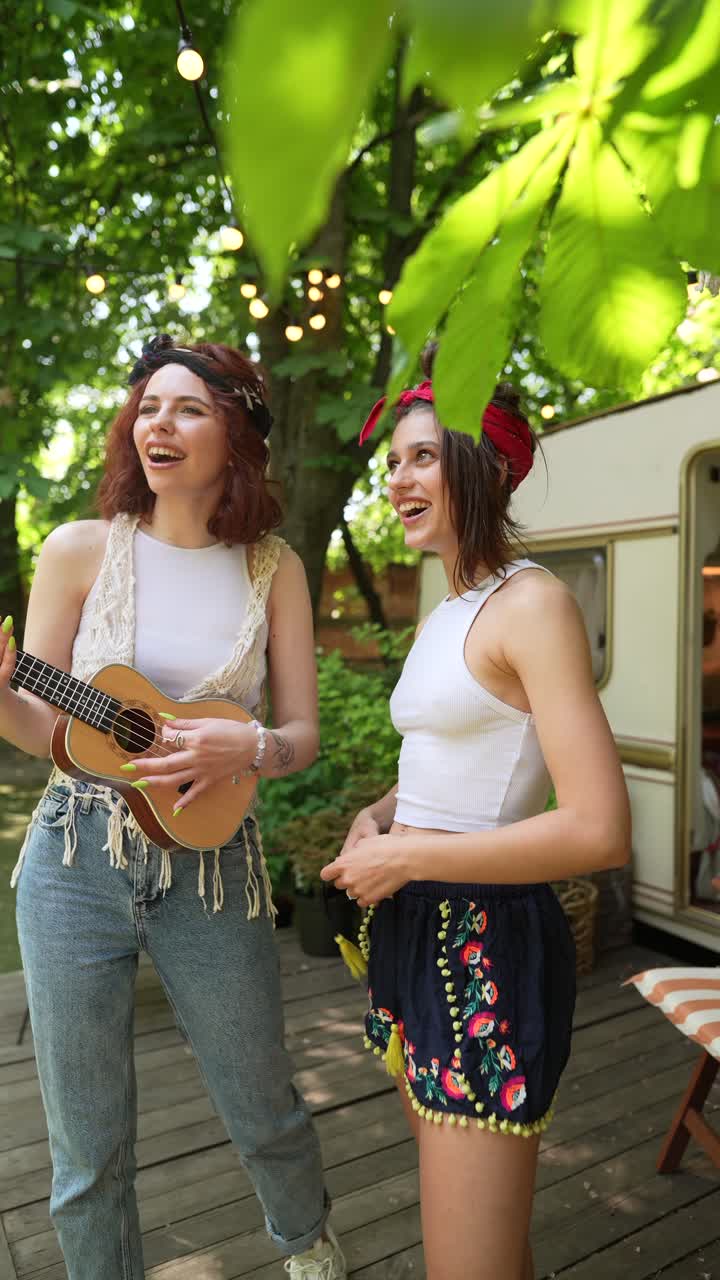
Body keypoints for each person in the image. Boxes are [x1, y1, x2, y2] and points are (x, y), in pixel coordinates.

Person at [0, 335, 345, 1280]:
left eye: (188, 407)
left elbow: (304, 735)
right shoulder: (77, 550)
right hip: (76, 862)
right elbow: (49, 730)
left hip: (216, 869)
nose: (160, 422)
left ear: (235, 434)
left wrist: (255, 744)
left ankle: (309, 1251)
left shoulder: (275, 568)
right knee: (86, 1137)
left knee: (261, 1098)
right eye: (149, 406)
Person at [322, 346, 631, 1280]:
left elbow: (597, 827)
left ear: (488, 467)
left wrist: (413, 860)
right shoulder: (445, 608)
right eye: (392, 466)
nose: (399, 481)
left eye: (422, 457)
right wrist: (378, 820)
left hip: (483, 943)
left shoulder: (533, 605)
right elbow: (442, 759)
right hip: (415, 923)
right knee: (483, 1245)